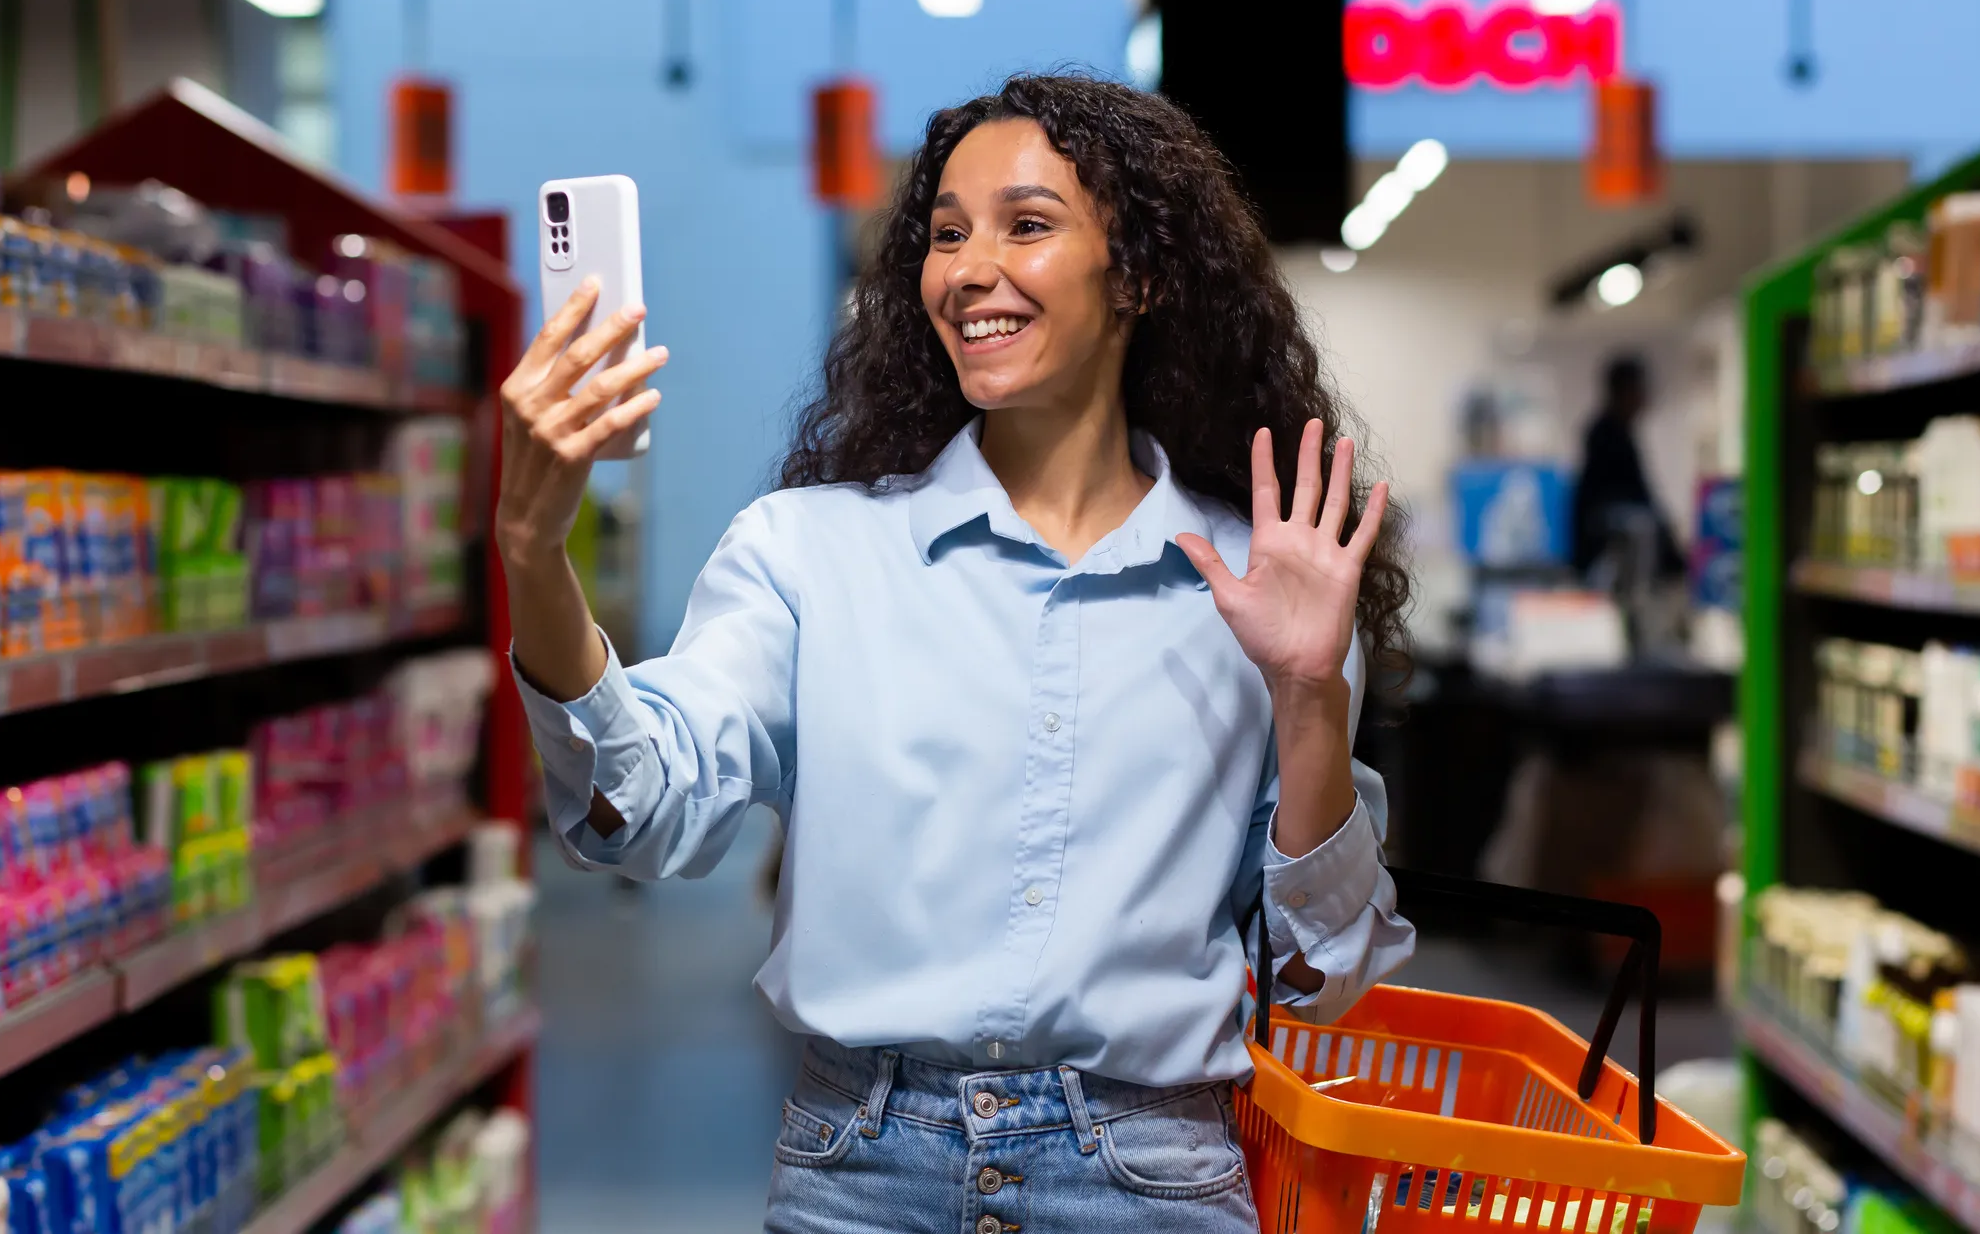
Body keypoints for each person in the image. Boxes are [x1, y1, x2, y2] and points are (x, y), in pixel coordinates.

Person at [497, 74, 1415, 1233]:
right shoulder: (808, 549)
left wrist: (1309, 695)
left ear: (1138, 274)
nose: (968, 268)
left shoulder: (1262, 579)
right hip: (859, 1172)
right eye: (944, 233)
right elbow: (639, 807)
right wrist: (534, 553)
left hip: (1152, 1182)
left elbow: (1321, 975)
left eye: (1026, 225)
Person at [1569, 354, 1684, 580]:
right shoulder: (1604, 434)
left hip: (1611, 546)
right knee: (1640, 526)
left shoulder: (1621, 433)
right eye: (1639, 389)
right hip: (1607, 548)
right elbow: (1624, 494)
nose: (1644, 396)